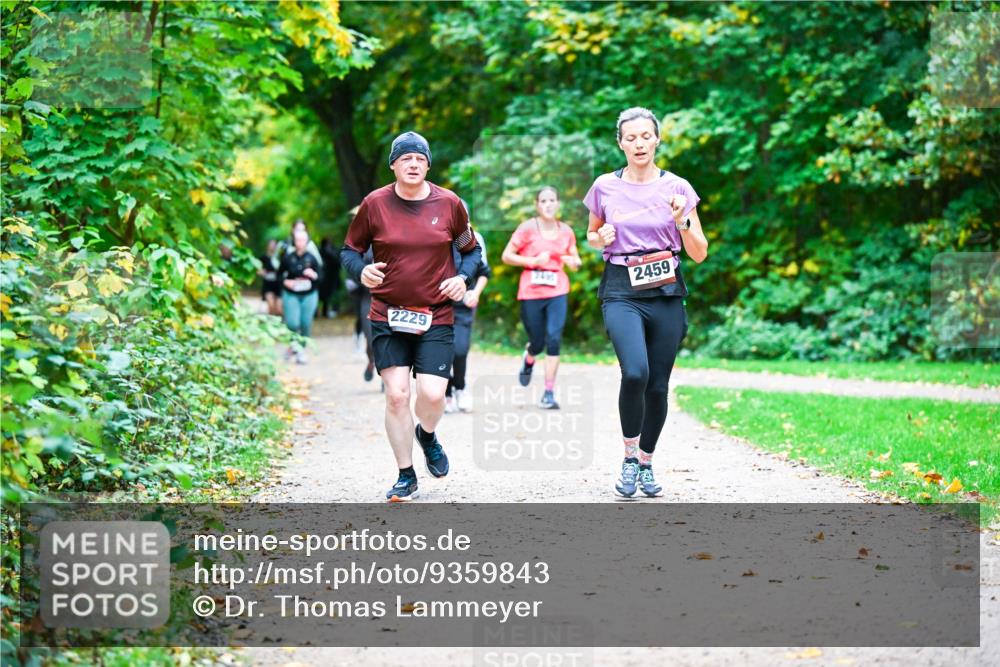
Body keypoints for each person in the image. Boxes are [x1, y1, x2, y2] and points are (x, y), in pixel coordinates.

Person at [340, 131, 481, 502]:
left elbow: (471, 251)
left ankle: (427, 435)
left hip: (435, 314)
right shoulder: (375, 204)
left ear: (428, 165)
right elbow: (350, 251)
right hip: (387, 314)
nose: (413, 164)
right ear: (394, 165)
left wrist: (462, 278)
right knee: (397, 396)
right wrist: (361, 271)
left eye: (420, 158)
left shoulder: (449, 204)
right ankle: (406, 475)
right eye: (406, 158)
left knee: (433, 395)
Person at [582, 107, 708, 498]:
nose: (639, 144)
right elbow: (591, 234)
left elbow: (700, 252)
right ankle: (628, 456)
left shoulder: (678, 187)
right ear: (620, 143)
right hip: (622, 288)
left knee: (657, 386)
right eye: (631, 138)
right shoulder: (604, 186)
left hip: (666, 289)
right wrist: (600, 239)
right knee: (635, 372)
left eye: (645, 136)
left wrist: (682, 221)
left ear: (657, 140)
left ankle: (647, 462)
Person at [501, 186, 582, 409]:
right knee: (537, 342)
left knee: (554, 339)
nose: (548, 204)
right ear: (537, 205)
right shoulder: (527, 228)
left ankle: (548, 392)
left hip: (557, 289)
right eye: (543, 201)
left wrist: (574, 262)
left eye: (552, 200)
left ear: (558, 204)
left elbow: (575, 260)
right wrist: (532, 261)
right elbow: (506, 256)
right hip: (531, 290)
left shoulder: (566, 231)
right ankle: (529, 358)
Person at [445, 224, 491, 413]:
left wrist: (476, 293)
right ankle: (446, 393)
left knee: (460, 350)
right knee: (442, 351)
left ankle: (460, 388)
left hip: (462, 307)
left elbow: (484, 273)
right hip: (436, 307)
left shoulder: (466, 242)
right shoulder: (432, 240)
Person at [278, 228, 323, 364]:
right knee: (292, 323)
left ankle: (300, 351)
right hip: (291, 294)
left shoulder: (312, 258)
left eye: (303, 240)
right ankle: (293, 346)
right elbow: (279, 275)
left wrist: (314, 275)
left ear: (307, 241)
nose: (300, 243)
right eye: (298, 240)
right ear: (294, 241)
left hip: (309, 294)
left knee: (305, 323)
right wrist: (286, 282)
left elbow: (321, 277)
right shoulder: (287, 257)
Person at [258, 239, 282, 316]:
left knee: (279, 309)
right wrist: (262, 272)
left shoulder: (279, 258)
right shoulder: (263, 258)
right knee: (271, 305)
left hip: (278, 284)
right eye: (271, 245)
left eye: (274, 245)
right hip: (268, 284)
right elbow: (257, 269)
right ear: (267, 246)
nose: (272, 247)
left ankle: (277, 321)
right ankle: (271, 320)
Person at [319, 237, 342, 318]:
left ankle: (333, 310)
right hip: (326, 277)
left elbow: (337, 262)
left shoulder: (331, 250)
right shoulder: (324, 250)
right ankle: (326, 311)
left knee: (332, 294)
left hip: (332, 276)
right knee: (327, 295)